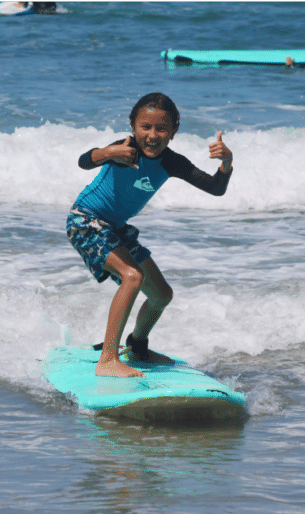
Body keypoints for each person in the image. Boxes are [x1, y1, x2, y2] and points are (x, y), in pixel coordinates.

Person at [66, 92, 234, 378]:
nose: (153, 135)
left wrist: (226, 163)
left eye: (161, 128)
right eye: (146, 127)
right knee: (132, 277)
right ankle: (107, 360)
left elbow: (215, 188)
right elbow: (85, 161)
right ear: (133, 127)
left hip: (116, 229)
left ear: (174, 131)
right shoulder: (125, 149)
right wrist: (109, 153)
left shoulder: (172, 162)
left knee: (161, 295)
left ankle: (137, 347)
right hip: (86, 220)